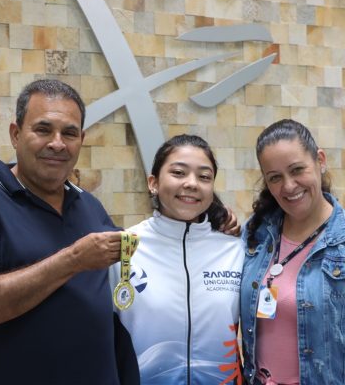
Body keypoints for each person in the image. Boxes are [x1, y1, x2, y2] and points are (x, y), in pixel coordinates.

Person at [0, 79, 139, 385]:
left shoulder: (89, 205)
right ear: (15, 133)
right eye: (43, 129)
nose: (58, 143)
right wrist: (73, 259)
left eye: (69, 133)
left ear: (81, 140)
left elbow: (143, 248)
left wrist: (214, 223)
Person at [110, 134, 245, 385]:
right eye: (179, 173)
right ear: (153, 183)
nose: (192, 183)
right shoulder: (123, 249)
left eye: (204, 177)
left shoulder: (235, 250)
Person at [240, 119, 345, 385]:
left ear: (320, 160)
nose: (288, 186)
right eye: (275, 177)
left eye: (297, 169)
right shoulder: (255, 236)